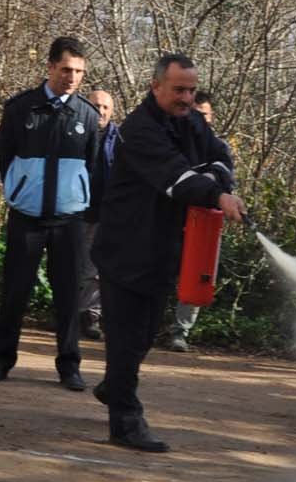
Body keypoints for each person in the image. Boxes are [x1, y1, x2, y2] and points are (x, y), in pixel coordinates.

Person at [91, 54, 245, 452]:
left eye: (192, 90)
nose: (187, 98)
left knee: (142, 336)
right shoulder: (139, 130)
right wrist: (217, 192)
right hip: (126, 250)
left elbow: (218, 155)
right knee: (126, 339)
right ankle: (125, 422)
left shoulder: (191, 120)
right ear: (155, 86)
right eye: (179, 90)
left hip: (163, 250)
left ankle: (115, 384)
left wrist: (217, 178)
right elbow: (176, 178)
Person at [0, 36, 98, 390]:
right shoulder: (21, 108)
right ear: (49, 67)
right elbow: (5, 156)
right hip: (27, 217)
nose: (71, 77)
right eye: (65, 69)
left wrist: (75, 195)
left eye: (78, 71)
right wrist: (19, 192)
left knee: (67, 295)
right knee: (15, 291)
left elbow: (90, 166)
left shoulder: (87, 115)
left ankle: (69, 366)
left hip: (69, 219)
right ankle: (1, 360)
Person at [165, 91, 225, 352]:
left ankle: (181, 331)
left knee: (196, 277)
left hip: (203, 225)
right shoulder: (172, 142)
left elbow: (225, 180)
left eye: (204, 115)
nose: (199, 120)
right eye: (195, 114)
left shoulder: (219, 149)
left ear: (212, 118)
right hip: (169, 221)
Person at [77, 89, 119, 341]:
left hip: (105, 214)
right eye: (95, 106)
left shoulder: (120, 140)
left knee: (95, 270)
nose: (100, 111)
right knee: (70, 264)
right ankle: (67, 311)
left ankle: (90, 316)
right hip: (73, 210)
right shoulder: (74, 133)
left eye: (105, 107)